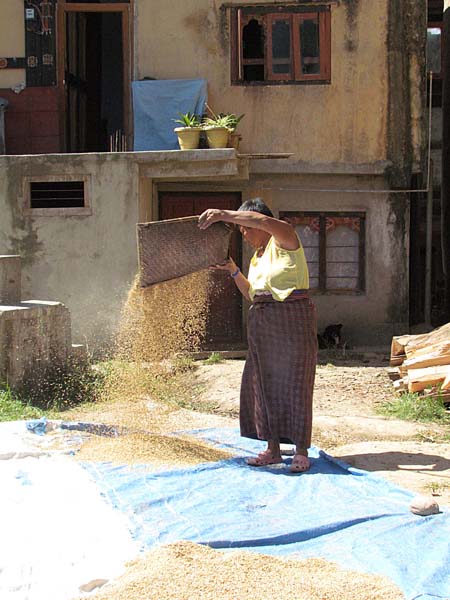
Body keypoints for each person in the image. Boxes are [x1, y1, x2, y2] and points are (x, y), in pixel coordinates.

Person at [198, 198, 317, 473]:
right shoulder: (257, 257)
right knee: (264, 383)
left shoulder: (285, 238)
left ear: (258, 222)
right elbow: (252, 294)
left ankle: (301, 450)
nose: (246, 235)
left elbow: (262, 221)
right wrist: (234, 271)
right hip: (263, 322)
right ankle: (272, 448)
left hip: (293, 319)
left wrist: (224, 214)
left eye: (246, 229)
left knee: (296, 381)